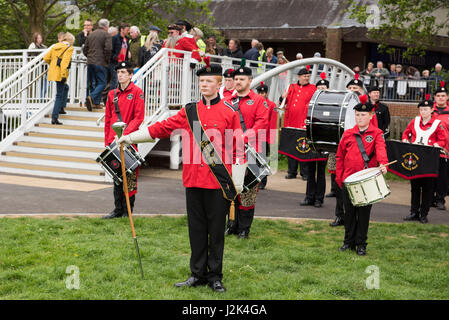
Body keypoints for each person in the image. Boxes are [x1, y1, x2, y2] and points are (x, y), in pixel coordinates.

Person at [118, 61, 242, 293]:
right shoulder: (189, 110)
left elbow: (238, 147)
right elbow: (162, 127)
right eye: (201, 81)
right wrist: (132, 137)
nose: (204, 85)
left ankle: (215, 276)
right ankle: (197, 274)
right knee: (196, 230)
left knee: (216, 232)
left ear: (218, 84)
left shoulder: (229, 110)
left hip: (218, 182)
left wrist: (239, 182)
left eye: (209, 81)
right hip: (193, 180)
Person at [336, 94, 388, 256]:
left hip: (366, 181)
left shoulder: (377, 133)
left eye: (363, 114)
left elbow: (381, 149)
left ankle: (361, 244)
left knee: (363, 214)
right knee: (349, 213)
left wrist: (383, 163)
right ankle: (348, 242)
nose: (360, 117)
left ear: (370, 116)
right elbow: (340, 156)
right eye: (357, 114)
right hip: (348, 179)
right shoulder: (348, 134)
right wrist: (340, 178)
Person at [224, 62, 269, 239]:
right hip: (231, 152)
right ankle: (231, 225)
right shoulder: (227, 101)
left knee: (248, 192)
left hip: (251, 152)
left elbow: (262, 122)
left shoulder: (259, 101)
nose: (238, 82)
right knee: (231, 191)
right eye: (236, 79)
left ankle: (244, 229)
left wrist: (247, 134)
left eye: (242, 79)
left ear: (250, 81)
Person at [102, 61, 145, 219]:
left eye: (123, 72)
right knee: (116, 175)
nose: (120, 75)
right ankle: (117, 209)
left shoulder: (137, 92)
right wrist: (108, 142)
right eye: (118, 72)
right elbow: (108, 120)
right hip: (114, 141)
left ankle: (128, 211)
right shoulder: (112, 94)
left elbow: (138, 117)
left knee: (130, 176)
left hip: (129, 140)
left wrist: (124, 135)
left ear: (130, 75)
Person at [402, 95, 446, 223]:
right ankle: (413, 212)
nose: (423, 112)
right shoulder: (414, 121)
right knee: (415, 187)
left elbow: (443, 139)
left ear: (432, 110)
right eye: (421, 109)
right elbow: (406, 133)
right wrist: (405, 139)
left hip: (429, 159)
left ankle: (423, 214)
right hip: (415, 159)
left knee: (427, 188)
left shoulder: (438, 124)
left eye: (426, 109)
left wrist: (438, 145)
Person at [282, 66, 317, 181]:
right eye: (304, 76)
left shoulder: (313, 88)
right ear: (299, 77)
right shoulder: (291, 87)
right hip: (291, 121)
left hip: (303, 122)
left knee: (303, 148)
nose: (307, 78)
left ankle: (304, 173)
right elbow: (283, 101)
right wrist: (282, 97)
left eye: (308, 76)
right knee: (291, 147)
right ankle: (291, 171)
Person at [300, 73, 328, 207]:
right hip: (311, 141)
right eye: (319, 87)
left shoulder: (330, 104)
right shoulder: (310, 104)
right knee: (310, 170)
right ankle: (309, 197)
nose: (322, 89)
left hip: (323, 142)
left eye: (324, 87)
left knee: (321, 172)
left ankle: (319, 199)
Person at [43, 32, 75, 125]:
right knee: (59, 95)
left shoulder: (55, 46)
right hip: (61, 73)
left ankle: (61, 107)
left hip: (54, 72)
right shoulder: (69, 48)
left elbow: (46, 58)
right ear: (70, 41)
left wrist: (53, 65)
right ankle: (55, 117)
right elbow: (64, 63)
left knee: (66, 88)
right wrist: (64, 75)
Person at [83, 18, 112, 111]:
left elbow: (85, 49)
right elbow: (108, 49)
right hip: (100, 62)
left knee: (93, 83)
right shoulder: (106, 34)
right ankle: (91, 97)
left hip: (90, 62)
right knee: (102, 83)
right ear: (106, 26)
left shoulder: (91, 35)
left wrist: (89, 56)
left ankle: (95, 103)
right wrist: (107, 60)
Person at [256, 82, 277, 190]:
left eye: (263, 92)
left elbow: (272, 123)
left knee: (262, 159)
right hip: (254, 135)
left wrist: (271, 139)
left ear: (266, 93)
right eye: (259, 92)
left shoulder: (272, 105)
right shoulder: (254, 103)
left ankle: (263, 181)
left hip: (264, 136)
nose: (261, 94)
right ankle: (255, 179)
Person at [432, 82, 449, 210]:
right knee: (429, 176)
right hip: (429, 151)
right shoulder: (428, 110)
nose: (441, 98)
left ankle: (440, 199)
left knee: (443, 177)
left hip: (445, 151)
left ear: (447, 97)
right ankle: (430, 199)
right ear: (435, 98)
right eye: (438, 95)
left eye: (443, 95)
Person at [110, 23, 130, 89]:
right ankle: (111, 97)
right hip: (115, 63)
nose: (128, 31)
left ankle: (119, 97)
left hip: (123, 63)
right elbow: (110, 50)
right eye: (127, 30)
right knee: (115, 81)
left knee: (122, 81)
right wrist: (114, 57)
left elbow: (126, 52)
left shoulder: (127, 39)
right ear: (122, 30)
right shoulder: (115, 38)